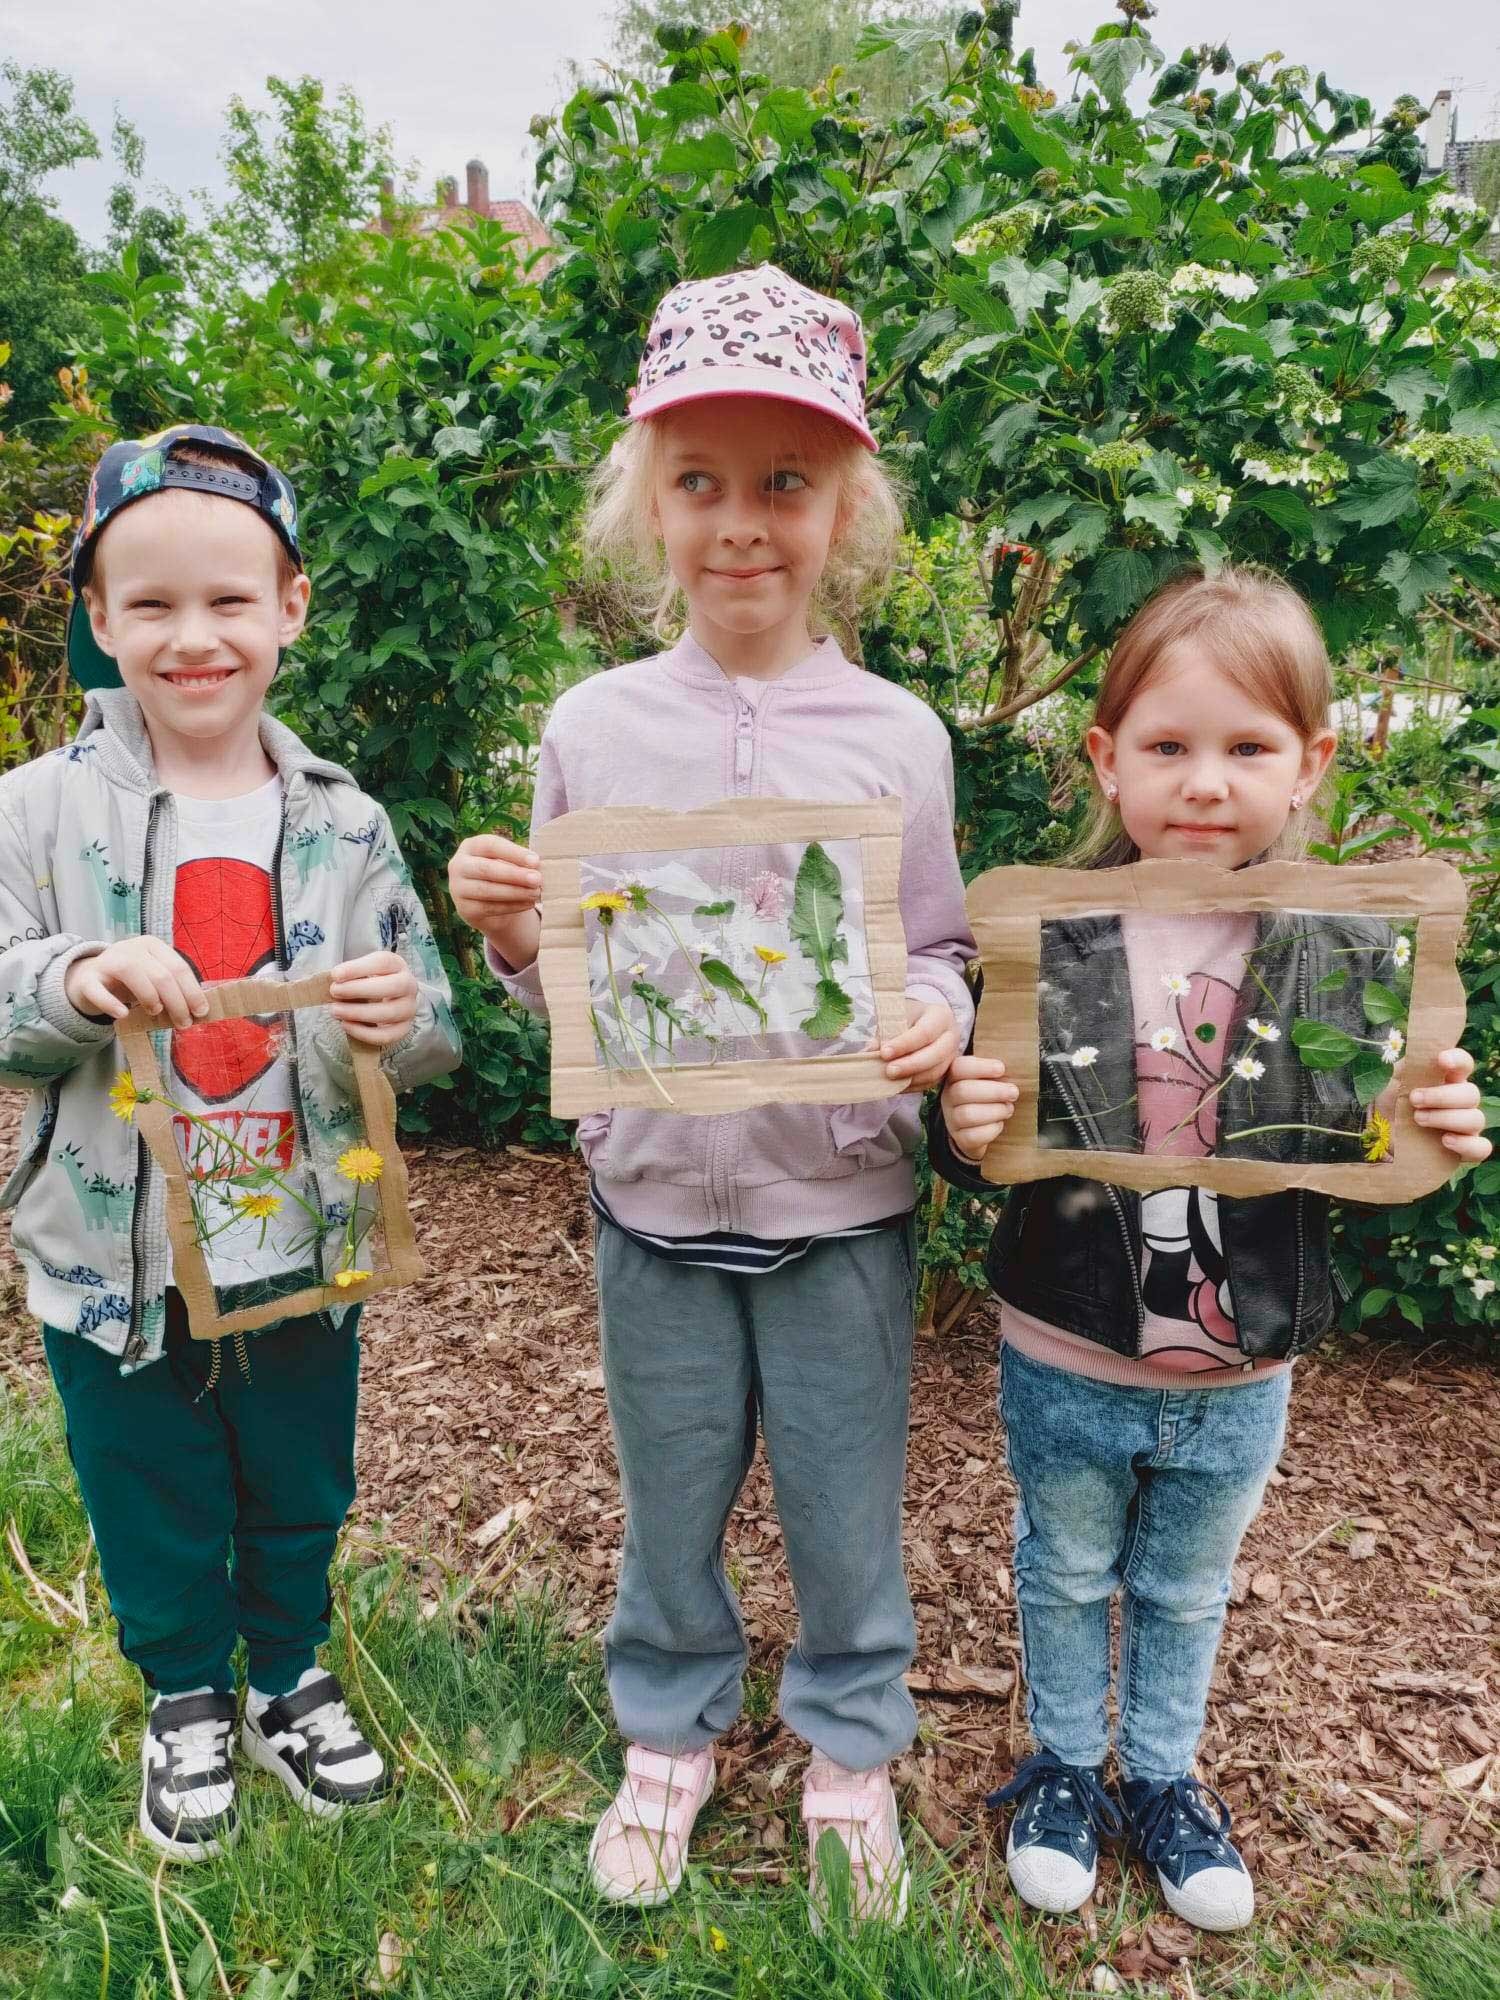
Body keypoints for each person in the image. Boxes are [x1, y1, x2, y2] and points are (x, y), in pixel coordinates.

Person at [449, 267, 974, 1922]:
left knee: (841, 1503)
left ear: (846, 511)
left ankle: (849, 1746)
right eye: (701, 483)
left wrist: (933, 1019)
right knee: (667, 1493)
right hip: (657, 1206)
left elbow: (944, 949)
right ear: (647, 507)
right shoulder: (593, 728)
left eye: (785, 484)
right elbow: (565, 981)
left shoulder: (900, 735)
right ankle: (667, 1733)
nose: (741, 524)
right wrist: (522, 937)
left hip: (844, 1215)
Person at [930, 567, 1490, 1932]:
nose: (1205, 783)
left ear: (1310, 766)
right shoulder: (1058, 930)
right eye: (1170, 747)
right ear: (1107, 761)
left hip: (1243, 1372)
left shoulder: (1336, 951)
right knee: (1062, 1569)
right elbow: (982, 1142)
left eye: (1246, 749)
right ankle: (1065, 1768)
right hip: (1067, 1350)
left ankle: (1166, 1779)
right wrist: (960, 1114)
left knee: (1184, 1586)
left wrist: (1438, 1119)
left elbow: (1376, 1141)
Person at [0, 426, 461, 1860]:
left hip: (302, 1236)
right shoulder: (34, 811)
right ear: (97, 619)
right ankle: (186, 1687)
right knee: (147, 1480)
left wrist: (400, 1014)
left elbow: (435, 1028)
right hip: (112, 1249)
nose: (193, 637)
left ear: (291, 608)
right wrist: (78, 979)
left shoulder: (346, 820)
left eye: (228, 601)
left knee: (298, 1473)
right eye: (150, 605)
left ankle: (287, 1671)